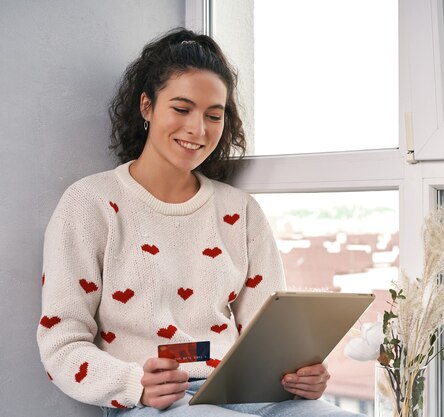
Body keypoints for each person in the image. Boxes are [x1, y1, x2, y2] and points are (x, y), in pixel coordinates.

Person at [37, 28, 364, 417]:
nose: (198, 129)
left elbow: (268, 334)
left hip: (248, 392)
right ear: (146, 106)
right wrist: (132, 383)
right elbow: (62, 341)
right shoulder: (90, 203)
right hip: (151, 402)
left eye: (214, 115)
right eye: (181, 108)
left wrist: (300, 375)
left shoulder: (240, 210)